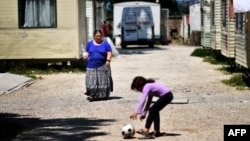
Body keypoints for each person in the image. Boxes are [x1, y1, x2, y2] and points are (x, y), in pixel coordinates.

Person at [84, 30, 113, 102]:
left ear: (102, 36)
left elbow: (109, 53)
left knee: (103, 81)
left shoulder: (106, 44)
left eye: (100, 36)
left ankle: (103, 95)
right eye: (97, 36)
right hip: (91, 65)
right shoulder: (90, 44)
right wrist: (85, 56)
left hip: (102, 65)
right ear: (94, 36)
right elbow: (86, 51)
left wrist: (108, 61)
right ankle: (92, 95)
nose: (98, 37)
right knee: (91, 81)